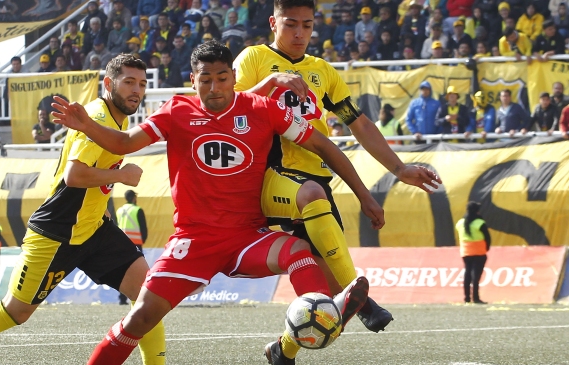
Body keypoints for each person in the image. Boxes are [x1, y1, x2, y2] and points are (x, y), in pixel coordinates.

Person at [51, 40, 373, 365]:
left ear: (234, 77)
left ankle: (320, 311)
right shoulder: (176, 111)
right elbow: (123, 143)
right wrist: (89, 126)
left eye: (221, 78)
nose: (214, 87)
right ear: (193, 81)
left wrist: (365, 196)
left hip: (247, 237)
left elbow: (323, 145)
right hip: (194, 240)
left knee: (298, 252)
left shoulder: (262, 109)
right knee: (140, 319)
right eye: (205, 79)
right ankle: (320, 315)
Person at [232, 1, 442, 363]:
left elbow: (357, 122)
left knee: (330, 310)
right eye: (290, 24)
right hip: (272, 177)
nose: (299, 33)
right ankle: (366, 304)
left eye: (308, 26)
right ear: (273, 23)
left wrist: (399, 168)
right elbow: (226, 108)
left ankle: (282, 351)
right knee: (341, 294)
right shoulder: (252, 58)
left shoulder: (323, 72)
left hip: (317, 179)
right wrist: (271, 82)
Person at [0, 54, 167, 365]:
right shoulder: (100, 118)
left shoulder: (118, 118)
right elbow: (74, 176)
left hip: (92, 229)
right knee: (16, 311)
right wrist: (122, 175)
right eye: (129, 82)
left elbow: (91, 173)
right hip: (56, 233)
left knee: (149, 298)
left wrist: (101, 205)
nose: (137, 90)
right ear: (108, 83)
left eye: (142, 84)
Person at [116, 190, 148, 305]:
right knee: (138, 271)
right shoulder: (137, 210)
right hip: (135, 243)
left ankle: (122, 298)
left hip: (121, 243)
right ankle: (139, 296)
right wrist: (142, 240)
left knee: (122, 271)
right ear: (134, 198)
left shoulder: (119, 210)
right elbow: (143, 228)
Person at [455, 201, 490, 304]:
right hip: (479, 251)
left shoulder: (460, 223)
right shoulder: (479, 223)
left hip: (465, 251)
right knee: (476, 275)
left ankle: (466, 297)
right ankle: (476, 297)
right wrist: (487, 247)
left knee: (467, 273)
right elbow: (487, 237)